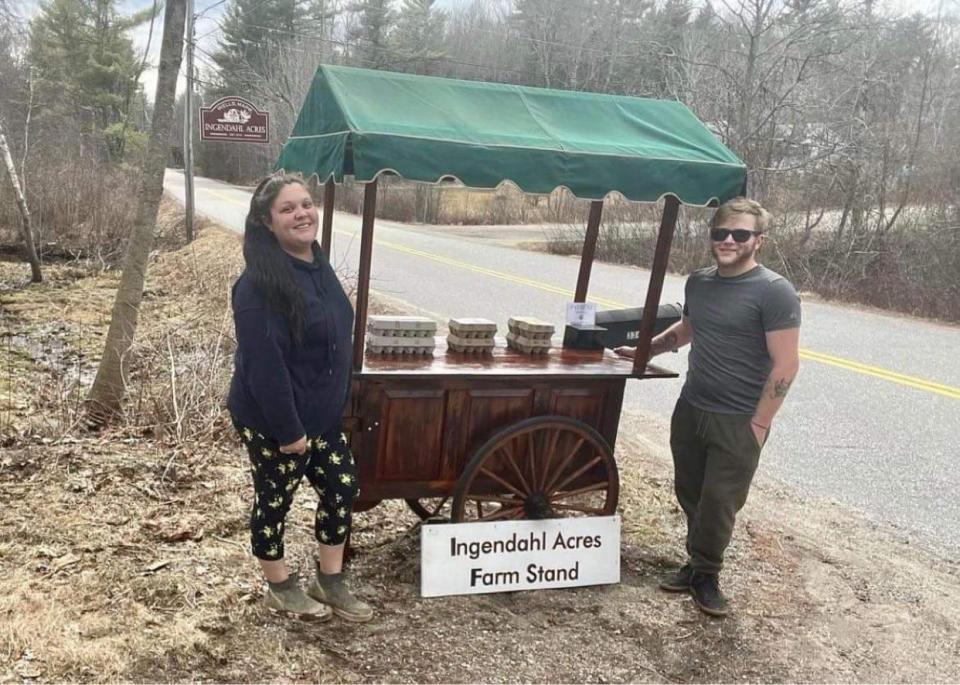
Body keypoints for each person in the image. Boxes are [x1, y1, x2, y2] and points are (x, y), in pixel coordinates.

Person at [616, 197, 801, 617]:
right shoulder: (699, 282)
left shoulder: (774, 292)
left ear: (759, 241)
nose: (729, 240)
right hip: (693, 406)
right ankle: (695, 562)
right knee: (691, 493)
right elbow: (689, 328)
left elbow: (787, 363)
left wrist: (758, 424)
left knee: (720, 502)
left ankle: (707, 575)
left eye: (740, 234)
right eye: (721, 233)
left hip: (739, 418)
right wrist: (644, 350)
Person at [226, 173, 373, 622]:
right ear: (267, 223)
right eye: (288, 209)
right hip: (275, 418)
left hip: (320, 416)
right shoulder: (256, 286)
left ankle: (328, 581)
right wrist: (289, 431)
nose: (302, 214)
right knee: (275, 500)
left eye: (306, 204)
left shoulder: (317, 264)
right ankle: (279, 586)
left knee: (342, 487)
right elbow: (265, 366)